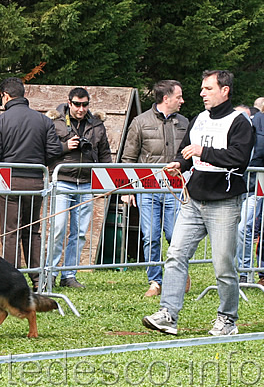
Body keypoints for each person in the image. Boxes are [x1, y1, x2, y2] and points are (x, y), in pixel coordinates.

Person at [143, 70, 254, 336]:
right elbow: (187, 152)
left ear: (224, 90)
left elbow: (238, 158)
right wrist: (179, 164)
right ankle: (168, 314)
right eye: (202, 89)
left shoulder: (240, 122)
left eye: (207, 89)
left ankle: (227, 319)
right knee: (176, 255)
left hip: (224, 203)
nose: (202, 93)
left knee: (223, 265)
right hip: (193, 201)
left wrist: (202, 152)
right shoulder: (199, 119)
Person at [0, 77, 63, 291]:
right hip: (36, 182)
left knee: (10, 232)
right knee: (32, 230)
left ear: (6, 96)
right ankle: (38, 280)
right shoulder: (44, 121)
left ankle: (11, 281)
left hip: (10, 182)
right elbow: (55, 151)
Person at [120, 80, 189, 297]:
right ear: (166, 98)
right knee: (150, 236)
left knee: (174, 235)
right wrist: (128, 189)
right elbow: (128, 158)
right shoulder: (140, 122)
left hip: (175, 188)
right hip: (147, 188)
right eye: (179, 97)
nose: (182, 101)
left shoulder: (185, 122)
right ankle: (155, 281)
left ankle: (179, 274)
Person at [46, 87, 112, 288]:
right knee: (58, 228)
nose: (81, 109)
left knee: (80, 231)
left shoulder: (97, 125)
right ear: (69, 103)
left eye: (85, 104)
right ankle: (50, 272)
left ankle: (69, 275)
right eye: (77, 104)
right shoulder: (54, 122)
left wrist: (106, 182)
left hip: (86, 183)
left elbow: (105, 155)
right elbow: (46, 151)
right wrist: (66, 146)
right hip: (63, 179)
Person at [236, 109, 264, 283]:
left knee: (243, 228)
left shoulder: (258, 134)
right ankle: (243, 272)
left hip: (255, 188)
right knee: (240, 229)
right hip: (243, 189)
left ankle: (249, 272)